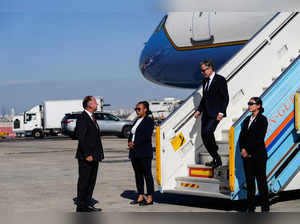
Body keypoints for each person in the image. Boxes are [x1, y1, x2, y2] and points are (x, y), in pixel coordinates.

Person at [194, 59, 229, 168]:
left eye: (204, 70)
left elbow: (225, 97)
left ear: (210, 69)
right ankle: (216, 158)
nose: (202, 73)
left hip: (216, 113)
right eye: (201, 71)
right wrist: (199, 110)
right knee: (204, 136)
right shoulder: (205, 82)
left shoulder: (220, 80)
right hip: (206, 113)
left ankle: (215, 150)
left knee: (208, 132)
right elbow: (204, 99)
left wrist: (222, 112)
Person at [238, 97, 270, 213]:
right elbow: (242, 137)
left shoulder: (263, 120)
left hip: (258, 156)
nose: (250, 105)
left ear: (258, 106)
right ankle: (250, 208)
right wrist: (242, 149)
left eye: (252, 103)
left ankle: (265, 209)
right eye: (249, 103)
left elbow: (259, 139)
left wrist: (248, 151)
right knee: (250, 184)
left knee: (261, 183)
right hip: (247, 157)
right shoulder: (247, 120)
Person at [75, 96, 104, 212]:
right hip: (86, 156)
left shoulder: (92, 117)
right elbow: (81, 138)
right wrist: (87, 154)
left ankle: (87, 204)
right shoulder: (83, 118)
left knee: (91, 181)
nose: (97, 104)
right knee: (84, 181)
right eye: (95, 103)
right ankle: (81, 206)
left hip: (95, 155)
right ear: (89, 105)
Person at [128, 101, 155, 206]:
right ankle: (140, 195)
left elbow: (146, 136)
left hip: (144, 152)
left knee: (147, 175)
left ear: (145, 110)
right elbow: (131, 133)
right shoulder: (136, 120)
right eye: (136, 109)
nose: (137, 111)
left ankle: (149, 197)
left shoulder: (149, 121)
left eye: (139, 109)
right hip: (134, 152)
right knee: (138, 175)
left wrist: (135, 144)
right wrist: (129, 142)